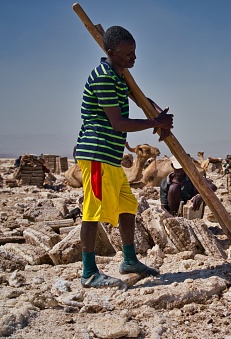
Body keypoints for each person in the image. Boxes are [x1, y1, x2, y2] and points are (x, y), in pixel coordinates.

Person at [74, 26, 174, 288]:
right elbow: (118, 123)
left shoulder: (118, 75)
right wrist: (155, 121)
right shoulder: (103, 78)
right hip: (96, 154)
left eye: (135, 52)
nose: (134, 58)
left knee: (128, 205)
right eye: (128, 53)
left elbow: (138, 95)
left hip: (110, 157)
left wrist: (156, 113)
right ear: (111, 52)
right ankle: (88, 272)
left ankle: (129, 259)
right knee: (93, 211)